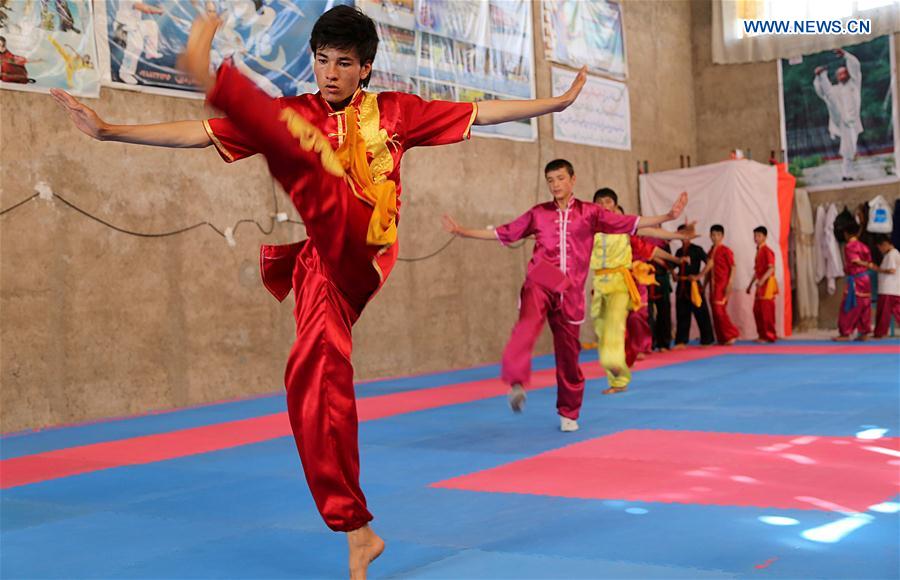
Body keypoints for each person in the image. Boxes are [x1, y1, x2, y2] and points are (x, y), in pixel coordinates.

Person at [51, 6, 596, 578]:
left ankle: (216, 78)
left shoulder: (397, 111)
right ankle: (357, 530)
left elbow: (483, 112)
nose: (330, 73)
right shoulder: (297, 112)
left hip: (365, 246)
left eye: (343, 64)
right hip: (320, 264)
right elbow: (198, 134)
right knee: (309, 377)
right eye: (321, 61)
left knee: (309, 162)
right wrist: (110, 130)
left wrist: (555, 104)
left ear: (365, 69)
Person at [443, 170, 688, 432]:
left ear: (573, 180)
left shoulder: (590, 213)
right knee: (527, 325)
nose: (555, 184)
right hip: (543, 276)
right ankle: (516, 382)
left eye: (560, 178)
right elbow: (506, 232)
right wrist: (463, 231)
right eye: (550, 180)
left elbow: (630, 222)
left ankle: (569, 412)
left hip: (570, 288)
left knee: (569, 354)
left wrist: (667, 216)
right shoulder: (538, 213)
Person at [589, 193, 688, 396]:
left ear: (615, 205)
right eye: (599, 202)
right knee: (604, 335)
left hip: (622, 283)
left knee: (627, 325)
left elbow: (652, 237)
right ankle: (620, 367)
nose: (604, 206)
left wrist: (673, 225)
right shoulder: (590, 227)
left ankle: (621, 376)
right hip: (600, 284)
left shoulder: (625, 228)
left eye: (608, 202)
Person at [813, 48, 862, 182]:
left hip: (851, 122)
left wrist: (846, 55)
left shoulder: (854, 84)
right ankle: (823, 75)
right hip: (838, 117)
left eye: (844, 72)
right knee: (830, 96)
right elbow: (821, 93)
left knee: (849, 148)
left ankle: (846, 174)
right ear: (837, 77)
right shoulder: (836, 89)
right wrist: (818, 77)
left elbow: (856, 66)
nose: (842, 75)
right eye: (839, 73)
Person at [674, 224, 714, 348]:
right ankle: (681, 341)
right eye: (680, 234)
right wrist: (674, 275)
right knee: (682, 313)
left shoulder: (697, 249)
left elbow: (710, 263)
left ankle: (707, 340)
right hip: (681, 285)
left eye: (684, 233)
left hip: (694, 285)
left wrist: (699, 276)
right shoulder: (679, 251)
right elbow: (671, 266)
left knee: (701, 312)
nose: (682, 236)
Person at [833, 221, 873, 341]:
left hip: (856, 279)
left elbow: (854, 260)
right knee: (864, 304)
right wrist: (868, 264)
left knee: (850, 304)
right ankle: (864, 332)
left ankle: (845, 333)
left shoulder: (850, 246)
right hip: (865, 278)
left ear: (846, 233)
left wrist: (864, 264)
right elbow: (869, 261)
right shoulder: (864, 246)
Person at [701, 224, 739, 345]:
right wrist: (704, 286)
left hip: (722, 285)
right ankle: (722, 338)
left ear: (722, 236)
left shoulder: (726, 251)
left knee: (719, 310)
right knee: (715, 312)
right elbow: (708, 272)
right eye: (713, 235)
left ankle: (731, 334)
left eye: (718, 235)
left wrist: (730, 283)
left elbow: (733, 267)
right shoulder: (710, 252)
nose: (715, 237)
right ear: (710, 236)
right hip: (712, 286)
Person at [114, 0, 163, 85]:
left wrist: (158, 8)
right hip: (123, 26)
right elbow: (144, 8)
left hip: (134, 24)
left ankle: (151, 51)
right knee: (136, 47)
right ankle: (125, 73)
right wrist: (158, 11)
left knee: (152, 25)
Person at [745, 226, 778, 343]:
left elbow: (771, 268)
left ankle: (769, 335)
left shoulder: (767, 251)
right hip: (760, 285)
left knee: (766, 311)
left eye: (759, 235)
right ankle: (762, 335)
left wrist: (762, 281)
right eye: (755, 235)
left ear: (765, 237)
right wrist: (750, 285)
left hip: (767, 285)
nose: (756, 238)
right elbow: (757, 271)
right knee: (757, 310)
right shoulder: (759, 251)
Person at [873, 234, 900, 339]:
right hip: (892, 289)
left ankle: (880, 333)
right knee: (895, 311)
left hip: (889, 289)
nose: (880, 250)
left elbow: (892, 270)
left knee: (884, 313)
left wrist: (877, 269)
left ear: (884, 244)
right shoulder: (892, 254)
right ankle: (879, 332)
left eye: (880, 247)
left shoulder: (892, 254)